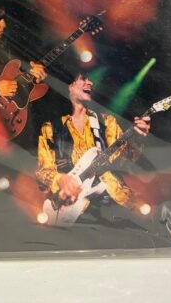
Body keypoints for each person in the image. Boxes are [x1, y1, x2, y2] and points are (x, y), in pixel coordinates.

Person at [36, 73, 151, 214]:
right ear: (69, 86)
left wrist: (139, 137)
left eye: (91, 80)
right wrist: (61, 179)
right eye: (84, 78)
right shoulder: (51, 128)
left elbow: (129, 156)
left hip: (113, 205)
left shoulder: (107, 122)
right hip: (70, 208)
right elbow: (42, 174)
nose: (90, 83)